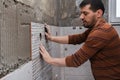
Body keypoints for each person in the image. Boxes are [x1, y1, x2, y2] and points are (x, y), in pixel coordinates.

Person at [39, 0, 120, 80]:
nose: (81, 17)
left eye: (85, 13)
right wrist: (51, 38)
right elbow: (76, 38)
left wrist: (50, 60)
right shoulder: (99, 28)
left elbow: (76, 60)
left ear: (98, 13)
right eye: (81, 13)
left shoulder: (100, 33)